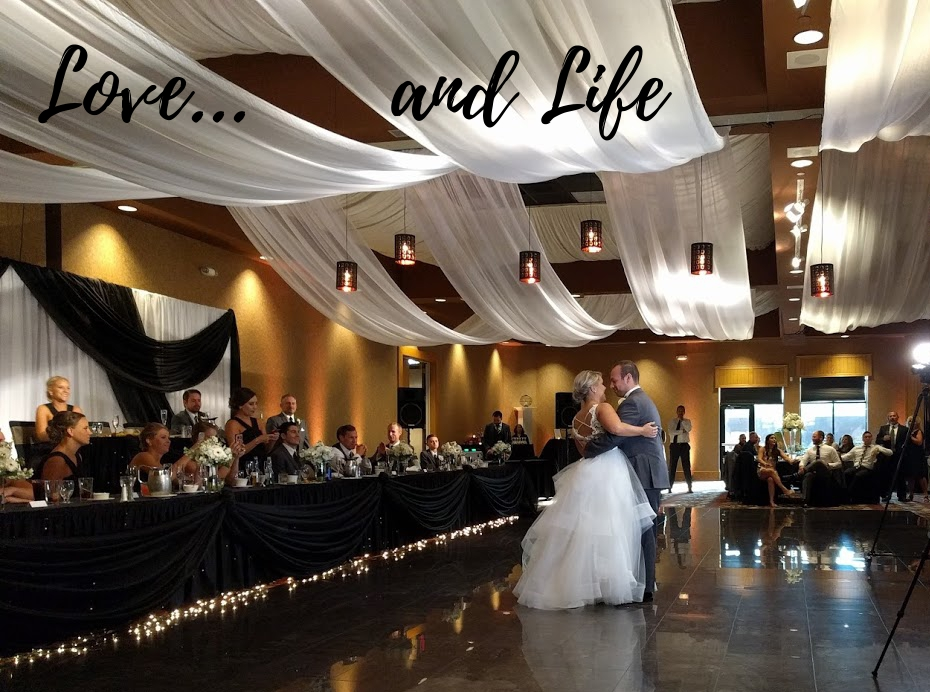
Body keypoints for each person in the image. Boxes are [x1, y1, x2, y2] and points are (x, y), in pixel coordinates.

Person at [513, 369, 658, 609]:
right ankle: (611, 582)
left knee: (587, 529)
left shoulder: (576, 417)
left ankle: (587, 581)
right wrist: (642, 430)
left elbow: (583, 450)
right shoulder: (602, 409)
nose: (605, 387)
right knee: (611, 526)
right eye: (601, 383)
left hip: (586, 470)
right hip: (609, 470)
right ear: (591, 388)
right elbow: (617, 430)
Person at [579, 360, 670, 602]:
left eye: (614, 380)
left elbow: (614, 436)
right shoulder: (640, 399)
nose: (611, 385)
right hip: (647, 471)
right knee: (642, 527)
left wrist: (587, 450)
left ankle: (646, 586)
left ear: (628, 378)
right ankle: (643, 582)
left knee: (644, 528)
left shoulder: (632, 402)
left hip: (643, 472)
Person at [130, 423, 200, 490]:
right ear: (149, 441)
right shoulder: (143, 456)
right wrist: (193, 449)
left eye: (168, 438)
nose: (168, 441)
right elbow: (164, 477)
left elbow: (182, 483)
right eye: (163, 437)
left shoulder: (161, 463)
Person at [224, 387, 278, 471]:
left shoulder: (258, 422)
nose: (255, 407)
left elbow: (266, 450)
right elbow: (237, 451)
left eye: (256, 403)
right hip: (243, 466)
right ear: (240, 405)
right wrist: (258, 440)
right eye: (251, 404)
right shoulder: (232, 424)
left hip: (260, 465)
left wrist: (272, 440)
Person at [36, 411, 90, 481]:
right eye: (85, 428)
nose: (90, 432)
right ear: (70, 431)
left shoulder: (77, 455)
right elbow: (51, 487)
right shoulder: (57, 461)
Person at [795, 430, 843, 505]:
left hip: (826, 472)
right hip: (814, 473)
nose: (812, 438)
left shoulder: (830, 449)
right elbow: (803, 461)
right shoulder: (810, 450)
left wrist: (828, 465)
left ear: (821, 438)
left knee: (819, 462)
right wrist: (801, 466)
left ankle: (796, 475)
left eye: (814, 437)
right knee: (808, 475)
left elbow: (839, 464)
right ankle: (805, 500)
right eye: (812, 437)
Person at [842, 431, 891, 498]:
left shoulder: (875, 447)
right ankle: (844, 494)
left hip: (867, 468)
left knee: (858, 475)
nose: (867, 438)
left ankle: (849, 495)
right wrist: (837, 456)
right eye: (866, 437)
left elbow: (890, 452)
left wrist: (879, 448)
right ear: (863, 439)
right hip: (856, 467)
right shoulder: (856, 448)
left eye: (869, 437)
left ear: (872, 438)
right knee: (846, 473)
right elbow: (846, 457)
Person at [34, 376, 83, 442]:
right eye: (60, 387)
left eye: (68, 388)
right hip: (51, 446)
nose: (66, 391)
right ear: (51, 391)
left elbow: (82, 432)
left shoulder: (76, 409)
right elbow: (42, 436)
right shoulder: (43, 409)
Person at [877, 411, 909, 502]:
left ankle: (902, 496)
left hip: (899, 455)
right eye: (890, 416)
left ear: (897, 417)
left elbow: (908, 442)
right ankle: (886, 495)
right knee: (886, 476)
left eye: (894, 416)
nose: (892, 417)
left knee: (900, 476)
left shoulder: (904, 429)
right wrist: (883, 439)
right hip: (887, 456)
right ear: (888, 418)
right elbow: (877, 440)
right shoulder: (883, 428)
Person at [757, 434, 795, 507]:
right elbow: (759, 459)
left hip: (772, 471)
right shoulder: (762, 449)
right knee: (772, 471)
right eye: (772, 438)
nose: (774, 439)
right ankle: (785, 490)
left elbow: (786, 458)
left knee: (770, 479)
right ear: (767, 441)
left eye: (775, 438)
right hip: (762, 470)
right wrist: (765, 464)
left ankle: (771, 501)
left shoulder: (778, 450)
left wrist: (792, 461)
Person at [667, 404, 693, 493]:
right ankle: (669, 487)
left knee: (686, 466)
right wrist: (682, 431)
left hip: (684, 446)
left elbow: (688, 429)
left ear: (684, 412)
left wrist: (682, 422)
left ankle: (689, 487)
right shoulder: (672, 422)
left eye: (682, 411)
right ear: (676, 412)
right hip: (674, 446)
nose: (680, 413)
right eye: (679, 411)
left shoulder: (687, 421)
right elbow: (671, 432)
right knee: (672, 466)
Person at [902, 418, 927, 502]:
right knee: (910, 476)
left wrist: (910, 436)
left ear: (918, 422)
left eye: (914, 420)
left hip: (917, 456)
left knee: (920, 476)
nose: (911, 422)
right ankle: (911, 494)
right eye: (909, 420)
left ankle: (925, 495)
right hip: (908, 456)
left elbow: (919, 442)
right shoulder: (906, 431)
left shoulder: (918, 431)